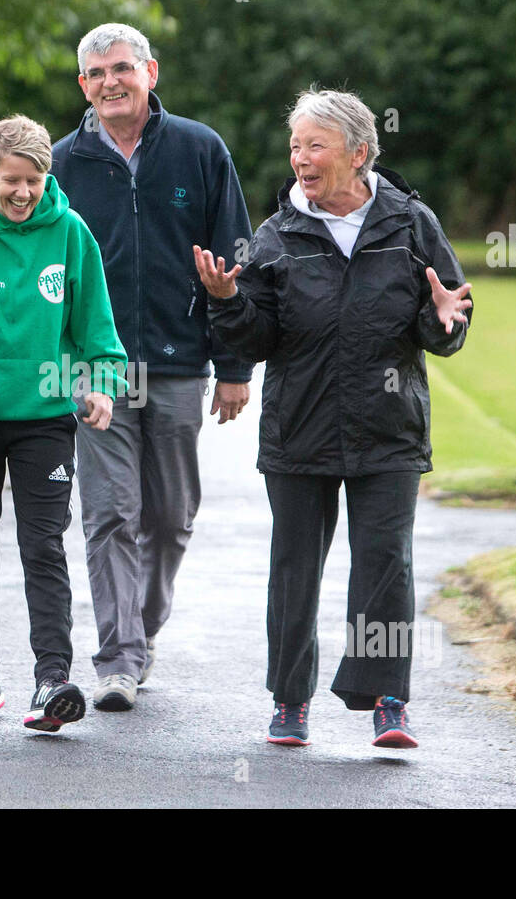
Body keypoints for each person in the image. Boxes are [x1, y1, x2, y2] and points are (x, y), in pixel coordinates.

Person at [196, 88, 472, 748]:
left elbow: (449, 320)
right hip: (300, 427)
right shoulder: (275, 235)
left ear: (358, 152)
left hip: (390, 426)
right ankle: (289, 701)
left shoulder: (411, 223)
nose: (300, 158)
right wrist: (228, 300)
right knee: (295, 568)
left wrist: (444, 320)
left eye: (314, 145)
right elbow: (257, 339)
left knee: (386, 562)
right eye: (295, 146)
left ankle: (388, 699)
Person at [51, 23, 254, 711]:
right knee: (110, 512)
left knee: (170, 517)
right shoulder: (62, 164)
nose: (110, 82)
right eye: (97, 73)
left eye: (122, 68)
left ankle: (141, 630)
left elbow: (235, 258)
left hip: (177, 362)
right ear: (83, 85)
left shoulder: (200, 150)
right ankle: (117, 657)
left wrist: (234, 364)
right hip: (95, 371)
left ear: (150, 73)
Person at [0, 115, 128, 732]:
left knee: (44, 547)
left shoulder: (71, 234)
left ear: (48, 177)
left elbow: (98, 328)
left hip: (45, 418)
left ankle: (51, 680)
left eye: (34, 181)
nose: (21, 192)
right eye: (10, 180)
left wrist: (103, 385)